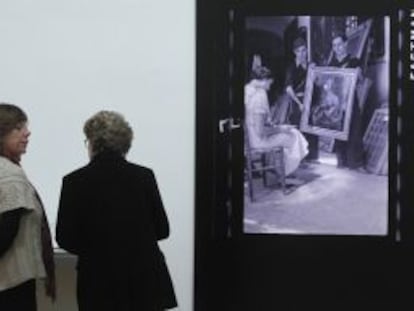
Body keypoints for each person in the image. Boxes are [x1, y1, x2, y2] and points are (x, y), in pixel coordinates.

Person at [55, 111, 177, 311]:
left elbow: (65, 237)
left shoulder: (74, 181)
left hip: (97, 282)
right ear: (125, 144)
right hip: (145, 280)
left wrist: (94, 250)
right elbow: (162, 230)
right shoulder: (144, 176)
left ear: (93, 144)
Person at [0, 103, 55, 310]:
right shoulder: (9, 174)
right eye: (18, 128)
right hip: (11, 282)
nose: (27, 133)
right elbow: (7, 230)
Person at [245, 65, 309, 176]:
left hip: (249, 138)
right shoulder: (259, 96)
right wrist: (280, 129)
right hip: (258, 141)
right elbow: (260, 131)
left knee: (291, 134)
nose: (269, 87)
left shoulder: (247, 89)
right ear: (264, 81)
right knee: (294, 136)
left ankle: (278, 168)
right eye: (269, 83)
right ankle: (283, 171)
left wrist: (272, 125)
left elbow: (256, 123)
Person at [276, 36, 319, 162]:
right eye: (299, 51)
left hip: (311, 100)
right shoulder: (291, 68)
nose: (302, 54)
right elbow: (289, 89)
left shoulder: (311, 65)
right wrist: (299, 103)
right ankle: (301, 158)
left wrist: (315, 72)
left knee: (312, 127)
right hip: (298, 102)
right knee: (299, 128)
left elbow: (318, 82)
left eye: (304, 50)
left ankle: (313, 157)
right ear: (295, 52)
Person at [328, 32, 365, 170]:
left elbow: (361, 82)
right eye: (334, 45)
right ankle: (341, 161)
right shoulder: (331, 64)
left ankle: (355, 163)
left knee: (355, 130)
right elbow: (327, 84)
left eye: (339, 44)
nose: (337, 48)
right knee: (339, 131)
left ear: (345, 44)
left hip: (351, 100)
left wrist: (358, 73)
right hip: (337, 102)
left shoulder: (354, 61)